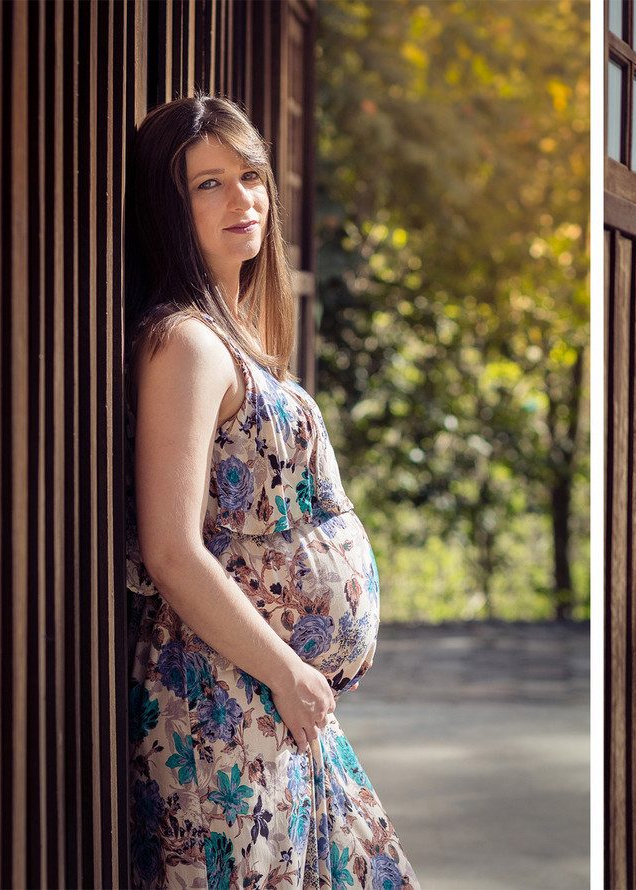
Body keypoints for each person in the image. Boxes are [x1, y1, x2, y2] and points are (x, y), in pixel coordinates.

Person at [124, 95, 418, 888]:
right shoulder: (184, 343)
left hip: (273, 705)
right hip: (220, 708)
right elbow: (172, 550)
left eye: (250, 176)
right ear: (167, 205)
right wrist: (289, 673)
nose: (243, 200)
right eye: (208, 184)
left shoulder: (234, 332)